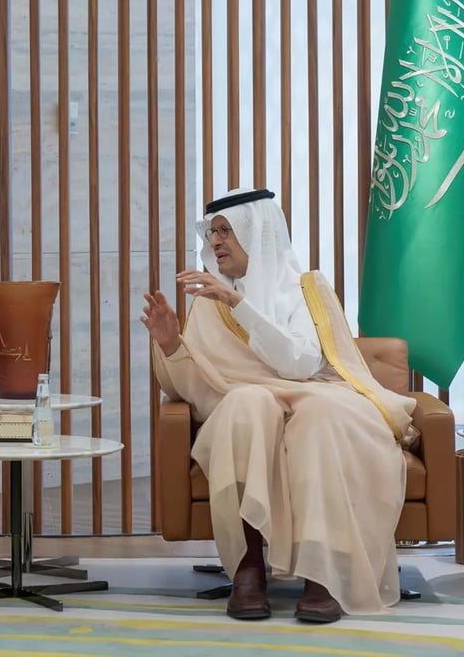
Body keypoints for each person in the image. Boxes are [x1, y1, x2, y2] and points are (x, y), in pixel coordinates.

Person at [141, 188, 414, 623]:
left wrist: (240, 304)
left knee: (320, 418)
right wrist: (173, 345)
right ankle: (248, 569)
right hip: (246, 404)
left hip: (316, 395)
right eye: (212, 233)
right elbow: (200, 391)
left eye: (226, 231)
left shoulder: (305, 290)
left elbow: (300, 364)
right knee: (245, 403)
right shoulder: (208, 305)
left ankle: (322, 575)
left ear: (258, 231)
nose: (215, 242)